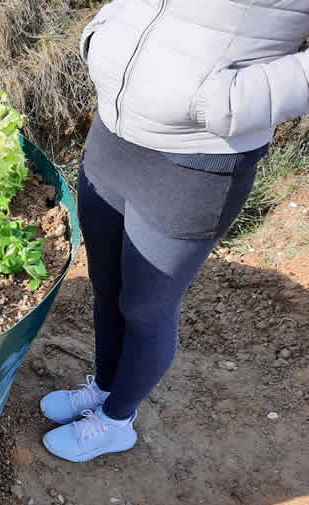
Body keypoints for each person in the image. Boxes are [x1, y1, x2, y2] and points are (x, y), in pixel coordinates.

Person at [39, 1, 309, 462]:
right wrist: (108, 31)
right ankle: (105, 387)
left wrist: (233, 98)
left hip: (199, 157)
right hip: (113, 130)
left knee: (145, 307)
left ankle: (117, 419)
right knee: (106, 285)